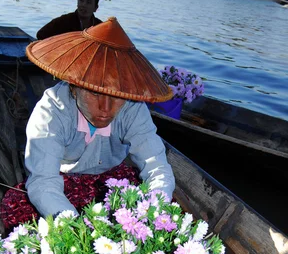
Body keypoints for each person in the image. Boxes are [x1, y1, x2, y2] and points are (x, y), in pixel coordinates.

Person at [13, 17, 175, 222]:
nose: (106, 109)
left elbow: (156, 167)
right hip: (62, 180)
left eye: (117, 95)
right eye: (95, 93)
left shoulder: (133, 108)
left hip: (112, 179)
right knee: (20, 210)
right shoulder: (51, 111)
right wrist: (76, 231)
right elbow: (44, 182)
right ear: (74, 86)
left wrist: (155, 211)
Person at [36, 0, 102, 40]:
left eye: (88, 2)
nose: (83, 5)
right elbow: (41, 34)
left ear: (95, 8)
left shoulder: (100, 27)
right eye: (81, 0)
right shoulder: (64, 21)